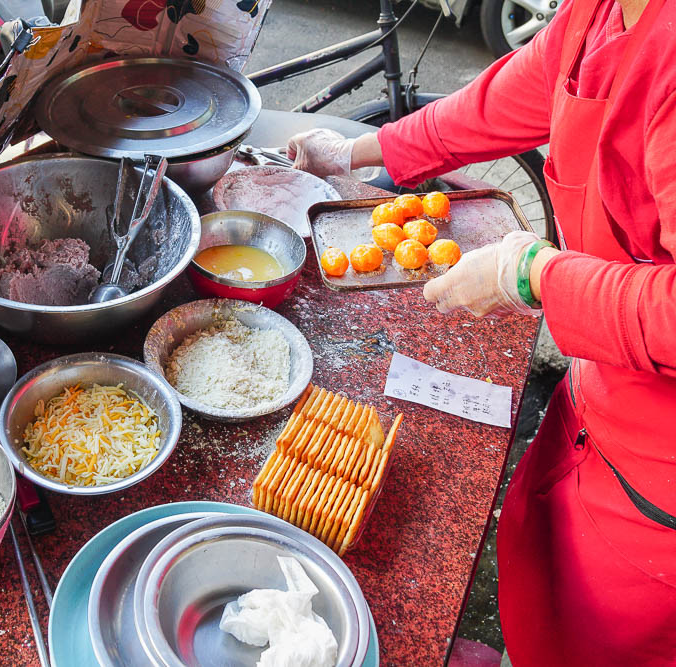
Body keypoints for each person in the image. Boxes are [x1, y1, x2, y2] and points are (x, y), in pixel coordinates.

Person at [287, 0, 676, 663]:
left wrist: (534, 276)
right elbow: (500, 101)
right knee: (539, 594)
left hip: (654, 481)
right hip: (595, 397)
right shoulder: (603, 10)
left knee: (594, 641)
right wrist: (353, 151)